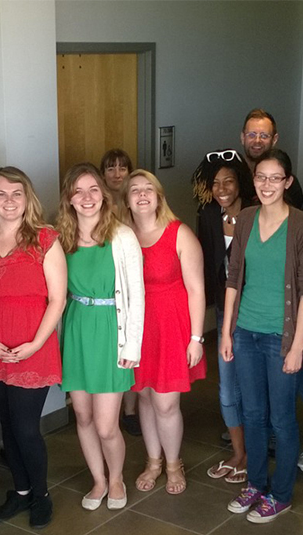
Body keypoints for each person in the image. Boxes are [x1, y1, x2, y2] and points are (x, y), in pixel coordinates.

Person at [0, 167, 66, 529]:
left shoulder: (45, 238)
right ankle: (20, 492)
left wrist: (34, 344)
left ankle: (41, 495)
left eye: (16, 193)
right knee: (5, 422)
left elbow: (57, 299)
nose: (9, 200)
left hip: (33, 346)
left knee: (25, 428)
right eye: (1, 193)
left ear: (28, 197)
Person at [220, 149, 303, 523]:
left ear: (288, 182)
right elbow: (233, 279)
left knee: (281, 418)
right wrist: (228, 331)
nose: (267, 185)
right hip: (245, 332)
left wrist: (296, 347)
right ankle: (256, 484)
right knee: (253, 413)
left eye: (275, 178)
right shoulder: (244, 219)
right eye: (261, 177)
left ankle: (281, 493)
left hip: (281, 337)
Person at [56, 163, 144, 511]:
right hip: (77, 329)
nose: (87, 197)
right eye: (79, 190)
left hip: (111, 330)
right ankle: (98, 480)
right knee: (83, 417)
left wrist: (132, 346)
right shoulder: (60, 238)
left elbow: (136, 296)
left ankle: (117, 477)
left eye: (94, 189)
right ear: (69, 198)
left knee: (108, 425)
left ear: (103, 195)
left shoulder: (121, 236)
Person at [124, 169, 206, 495]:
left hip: (171, 325)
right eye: (135, 190)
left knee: (166, 404)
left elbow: (197, 290)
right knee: (144, 396)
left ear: (159, 196)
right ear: (126, 199)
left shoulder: (179, 233)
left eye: (149, 189)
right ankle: (153, 461)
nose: (142, 195)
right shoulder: (122, 235)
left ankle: (174, 463)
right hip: (138, 327)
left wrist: (197, 338)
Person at [191, 149, 255, 483]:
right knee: (227, 387)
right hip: (225, 310)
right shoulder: (207, 215)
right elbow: (203, 265)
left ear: (241, 182)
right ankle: (239, 452)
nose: (222, 188)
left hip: (258, 311)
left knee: (255, 384)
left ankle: (255, 454)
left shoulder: (258, 214)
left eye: (229, 180)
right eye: (216, 183)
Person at [99, 147, 142, 438]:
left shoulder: (135, 203)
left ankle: (131, 408)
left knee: (132, 346)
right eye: (110, 168)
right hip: (105, 287)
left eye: (122, 168)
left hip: (134, 282)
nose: (116, 174)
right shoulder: (97, 203)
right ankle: (118, 411)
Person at [240, 108, 303, 209]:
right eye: (251, 135)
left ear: (274, 139)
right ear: (243, 138)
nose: (257, 141)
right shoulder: (233, 179)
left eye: (264, 136)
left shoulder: (287, 183)